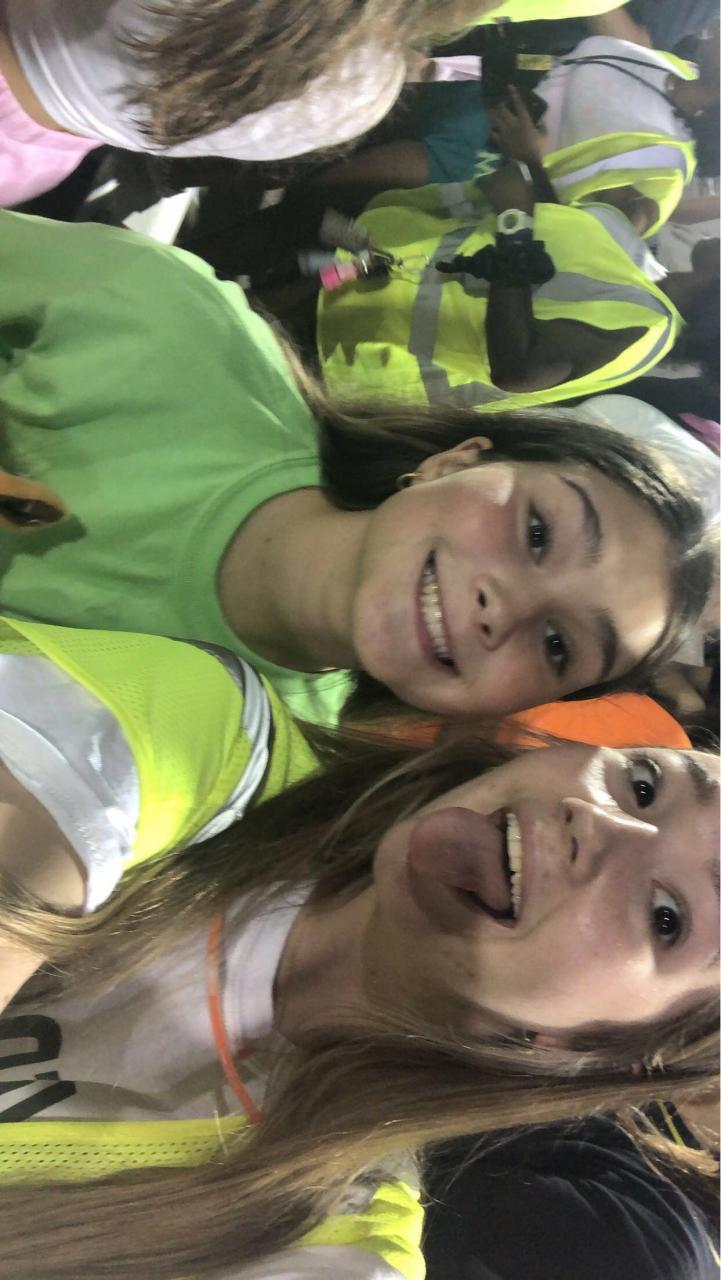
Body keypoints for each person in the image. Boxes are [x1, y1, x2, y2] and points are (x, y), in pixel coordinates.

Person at [0, 633, 718, 1278]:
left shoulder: (337, 1246)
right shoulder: (210, 736)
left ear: (593, 1053)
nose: (595, 819)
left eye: (666, 919)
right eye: (644, 786)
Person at [0, 211, 713, 730]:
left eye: (558, 647)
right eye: (536, 532)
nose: (507, 609)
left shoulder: (261, 790)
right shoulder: (166, 324)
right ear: (454, 460)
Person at [315, 154, 720, 412]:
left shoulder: (650, 328)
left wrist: (514, 221)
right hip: (364, 265)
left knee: (276, 319)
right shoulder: (643, 273)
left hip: (357, 345)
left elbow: (519, 370)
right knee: (280, 273)